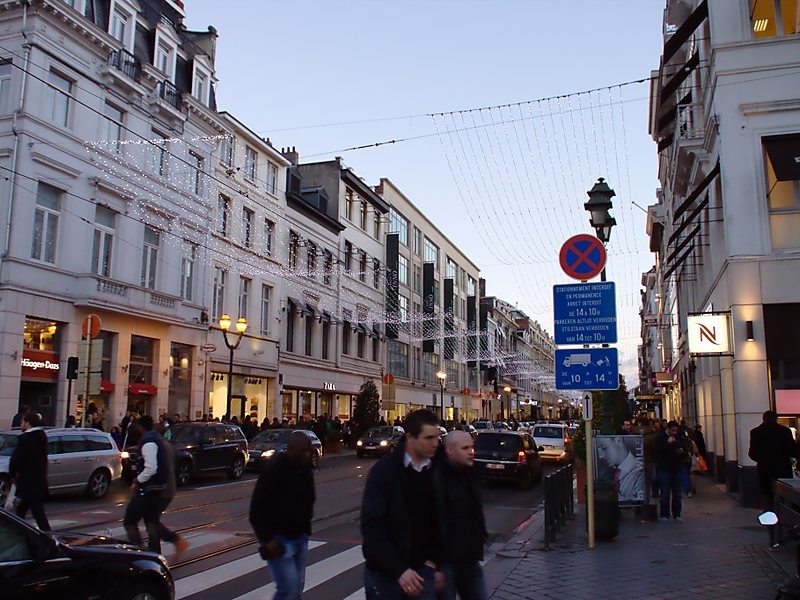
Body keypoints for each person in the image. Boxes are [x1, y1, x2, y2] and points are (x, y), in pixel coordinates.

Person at [361, 409, 444, 599]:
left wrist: (438, 562)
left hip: (424, 572)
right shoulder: (385, 471)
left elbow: (441, 518)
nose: (435, 443)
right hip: (386, 577)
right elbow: (372, 526)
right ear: (410, 438)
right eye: (429, 438)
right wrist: (399, 570)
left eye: (437, 437)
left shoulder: (437, 469)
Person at [250, 431, 316, 600]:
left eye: (309, 451)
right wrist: (267, 538)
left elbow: (310, 498)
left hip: (300, 535)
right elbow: (257, 509)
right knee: (289, 589)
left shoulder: (305, 470)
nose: (307, 455)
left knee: (296, 587)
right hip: (279, 539)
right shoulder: (274, 471)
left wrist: (306, 528)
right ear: (291, 449)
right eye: (303, 451)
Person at [434, 430, 487, 600]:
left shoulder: (471, 472)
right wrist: (435, 565)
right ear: (450, 450)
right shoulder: (436, 476)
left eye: (472, 447)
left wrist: (481, 537)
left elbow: (475, 510)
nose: (471, 452)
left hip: (469, 557)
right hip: (445, 560)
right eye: (465, 448)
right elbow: (432, 521)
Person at [123, 415, 168, 553]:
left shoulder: (148, 442)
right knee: (151, 521)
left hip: (147, 489)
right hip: (156, 488)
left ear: (141, 427)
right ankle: (155, 552)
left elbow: (151, 468)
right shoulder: (156, 438)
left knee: (130, 521)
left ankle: (139, 551)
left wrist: (137, 480)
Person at [749, 410, 799, 512]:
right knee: (784, 495)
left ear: (763, 419)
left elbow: (752, 453)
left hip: (764, 470)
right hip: (783, 469)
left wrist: (762, 460)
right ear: (776, 418)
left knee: (767, 496)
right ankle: (784, 516)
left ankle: (769, 517)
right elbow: (792, 450)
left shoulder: (755, 432)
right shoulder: (784, 431)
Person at [8, 411, 50, 530]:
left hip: (27, 482)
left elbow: (16, 459)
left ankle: (47, 536)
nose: (21, 424)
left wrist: (12, 475)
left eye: (22, 422)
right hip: (38, 482)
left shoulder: (26, 439)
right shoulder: (41, 438)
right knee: (23, 511)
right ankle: (19, 531)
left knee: (36, 512)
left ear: (28, 423)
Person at [655, 420, 689, 521]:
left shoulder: (679, 437)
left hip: (677, 467)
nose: (674, 432)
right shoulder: (660, 437)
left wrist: (682, 451)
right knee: (665, 493)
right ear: (668, 429)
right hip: (664, 468)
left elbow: (685, 450)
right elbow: (657, 451)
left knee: (677, 493)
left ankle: (677, 514)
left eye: (676, 430)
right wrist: (667, 443)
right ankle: (664, 514)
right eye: (672, 430)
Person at [595, 436, 645, 503]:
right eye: (598, 450)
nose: (601, 456)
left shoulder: (640, 473)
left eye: (604, 448)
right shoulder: (605, 473)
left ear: (618, 440)